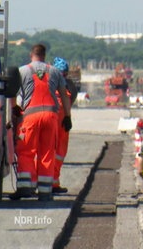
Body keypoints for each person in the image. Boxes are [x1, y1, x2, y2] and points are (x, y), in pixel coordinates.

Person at [9, 44, 72, 202]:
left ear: (31, 55)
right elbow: (64, 95)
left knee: (25, 151)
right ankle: (45, 192)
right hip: (51, 117)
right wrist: (67, 116)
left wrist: (14, 108)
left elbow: (12, 92)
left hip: (30, 116)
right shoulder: (55, 71)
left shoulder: (23, 71)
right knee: (47, 152)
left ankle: (25, 187)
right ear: (44, 56)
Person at [52, 57, 78, 194]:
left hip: (57, 123)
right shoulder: (68, 87)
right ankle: (52, 182)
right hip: (60, 122)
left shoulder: (47, 83)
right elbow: (70, 100)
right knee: (57, 152)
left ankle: (49, 182)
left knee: (52, 152)